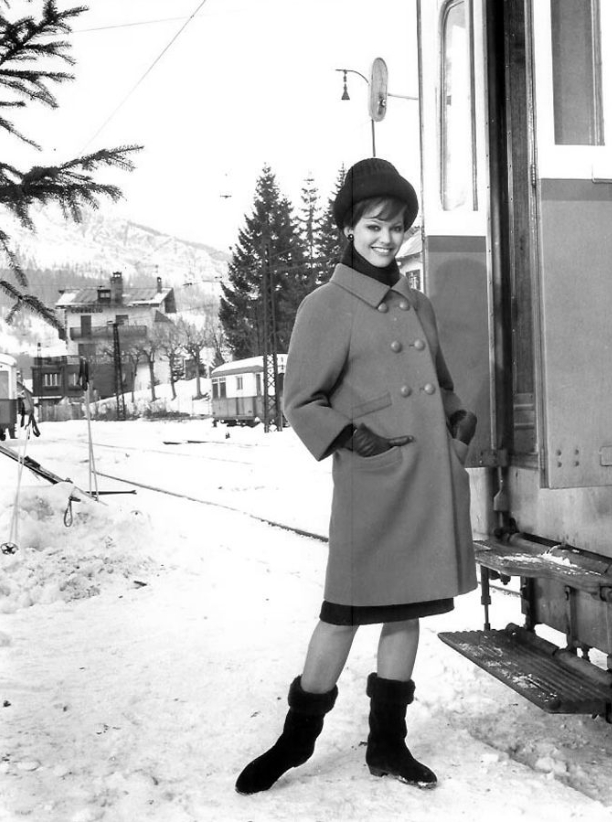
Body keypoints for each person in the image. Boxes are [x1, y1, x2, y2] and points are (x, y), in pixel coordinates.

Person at [235, 158, 477, 795]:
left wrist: (456, 425)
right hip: (374, 482)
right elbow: (301, 401)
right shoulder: (327, 305)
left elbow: (443, 386)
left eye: (397, 228)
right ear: (350, 225)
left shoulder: (417, 305)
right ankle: (296, 738)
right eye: (375, 224)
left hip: (424, 479)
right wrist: (350, 436)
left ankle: (388, 744)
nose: (386, 239)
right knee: (341, 614)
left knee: (406, 613)